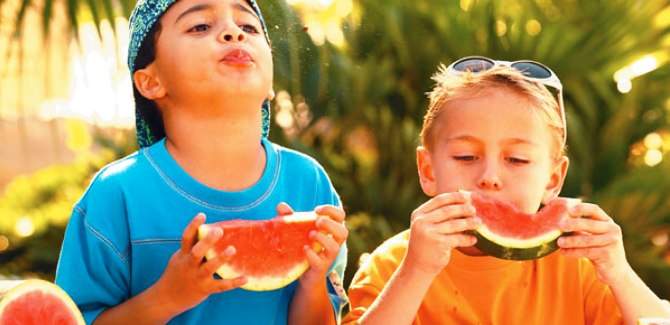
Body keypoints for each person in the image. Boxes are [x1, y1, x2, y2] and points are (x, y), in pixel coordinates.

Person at [55, 1, 348, 324]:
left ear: (270, 83)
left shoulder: (309, 182)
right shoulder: (116, 194)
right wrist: (165, 298)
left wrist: (312, 281)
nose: (233, 33)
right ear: (151, 82)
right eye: (199, 26)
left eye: (248, 27)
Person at [343, 56, 670, 324]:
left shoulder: (577, 266)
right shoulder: (394, 265)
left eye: (516, 159)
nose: (490, 177)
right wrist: (416, 271)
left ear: (554, 179)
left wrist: (619, 273)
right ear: (428, 170)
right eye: (466, 156)